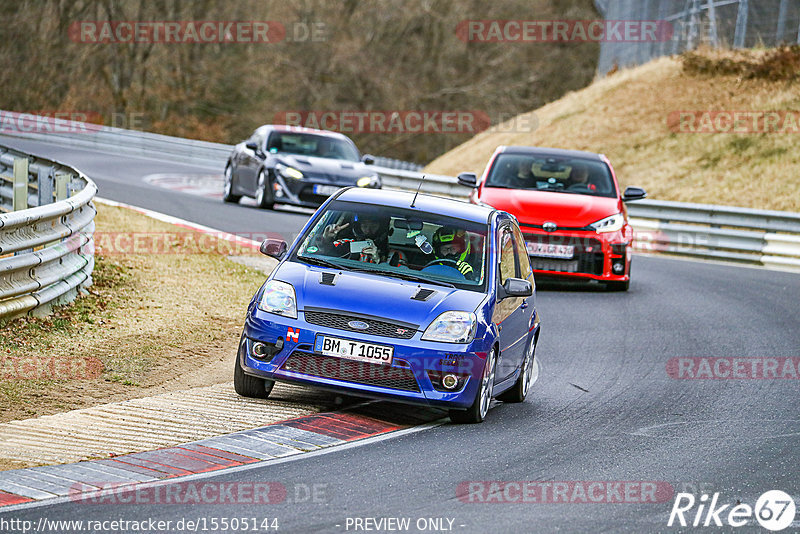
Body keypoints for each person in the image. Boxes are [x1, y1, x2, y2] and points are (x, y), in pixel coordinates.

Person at [319, 212, 406, 266]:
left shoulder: (396, 256)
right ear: (358, 227)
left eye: (373, 226)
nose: (368, 230)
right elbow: (321, 255)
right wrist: (326, 239)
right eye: (365, 226)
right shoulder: (346, 244)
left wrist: (377, 261)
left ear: (382, 228)